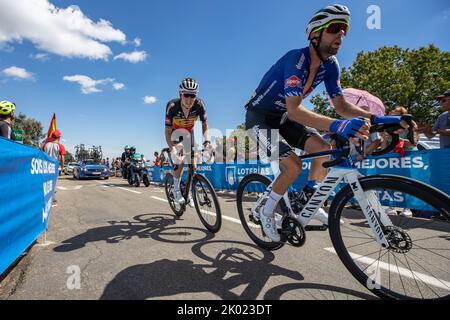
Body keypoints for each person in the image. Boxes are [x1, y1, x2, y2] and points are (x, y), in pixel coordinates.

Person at [244, 4, 410, 241]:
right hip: (259, 118)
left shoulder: (330, 66)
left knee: (323, 149)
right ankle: (267, 212)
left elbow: (341, 107)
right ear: (314, 34)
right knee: (292, 165)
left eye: (345, 30)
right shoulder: (296, 60)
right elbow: (294, 109)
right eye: (335, 28)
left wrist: (381, 119)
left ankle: (307, 197)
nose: (341, 36)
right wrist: (337, 125)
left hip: (284, 119)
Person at [165, 78, 211, 206]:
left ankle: (188, 190)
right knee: (181, 158)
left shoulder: (199, 105)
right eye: (186, 95)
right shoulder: (172, 106)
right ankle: (176, 190)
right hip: (175, 134)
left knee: (194, 165)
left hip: (189, 134)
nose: (190, 99)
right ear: (180, 94)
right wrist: (172, 148)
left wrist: (207, 141)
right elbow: (167, 131)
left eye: (193, 95)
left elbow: (205, 124)